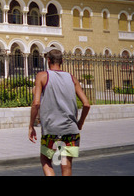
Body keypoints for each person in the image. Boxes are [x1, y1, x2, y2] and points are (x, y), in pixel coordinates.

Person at [29, 47, 90, 176]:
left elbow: (36, 103)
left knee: (46, 159)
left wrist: (31, 126)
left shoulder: (42, 76)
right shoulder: (72, 78)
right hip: (71, 130)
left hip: (51, 130)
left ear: (48, 60)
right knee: (66, 165)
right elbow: (86, 104)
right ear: (61, 61)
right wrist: (80, 123)